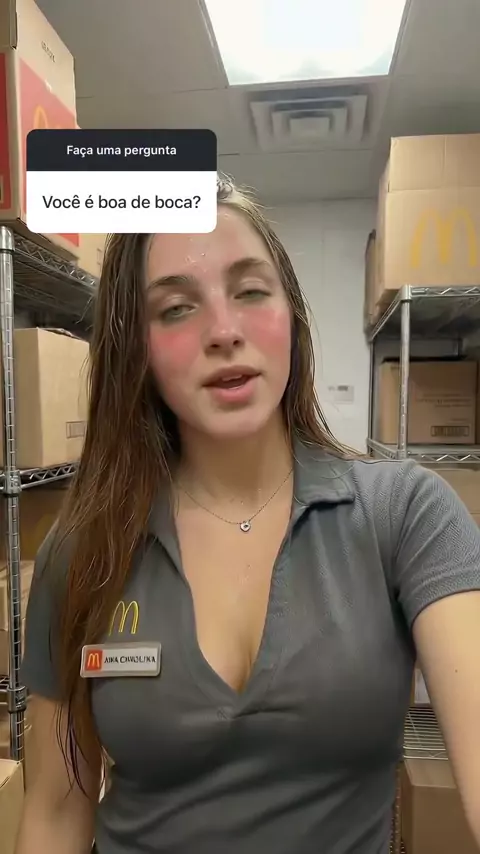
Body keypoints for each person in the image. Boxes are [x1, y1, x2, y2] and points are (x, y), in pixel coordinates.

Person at [15, 175, 480, 854]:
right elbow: (57, 814)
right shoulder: (84, 547)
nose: (224, 332)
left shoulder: (405, 515)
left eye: (251, 291)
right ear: (136, 348)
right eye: (177, 308)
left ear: (291, 315)